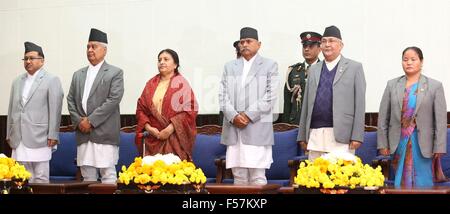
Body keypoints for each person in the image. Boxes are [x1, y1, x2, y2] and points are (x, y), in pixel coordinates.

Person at [377, 46, 447, 187]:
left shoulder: (434, 86)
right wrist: (383, 144)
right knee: (400, 182)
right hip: (398, 142)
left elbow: (440, 120)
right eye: (405, 59)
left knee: (423, 181)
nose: (409, 62)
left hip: (423, 144)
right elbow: (383, 118)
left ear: (421, 62)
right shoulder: (392, 85)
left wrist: (439, 146)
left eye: (413, 59)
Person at [219, 27, 279, 185]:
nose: (244, 44)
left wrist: (247, 116)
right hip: (234, 129)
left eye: (248, 41)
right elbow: (222, 95)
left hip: (257, 128)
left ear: (259, 44)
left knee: (257, 177)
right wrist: (233, 116)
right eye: (242, 42)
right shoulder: (229, 66)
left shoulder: (269, 65)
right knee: (238, 177)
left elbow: (270, 96)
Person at [297, 25, 366, 160]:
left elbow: (360, 103)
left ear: (341, 45)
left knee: (340, 176)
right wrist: (302, 135)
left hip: (341, 135)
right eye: (324, 41)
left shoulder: (354, 68)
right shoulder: (314, 69)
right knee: (314, 177)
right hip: (315, 133)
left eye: (332, 41)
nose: (327, 45)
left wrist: (357, 135)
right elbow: (306, 104)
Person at [67, 28, 124, 183]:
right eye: (88, 47)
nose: (90, 50)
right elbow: (70, 100)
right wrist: (80, 121)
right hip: (83, 134)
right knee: (87, 176)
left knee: (108, 175)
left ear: (104, 50)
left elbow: (113, 100)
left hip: (104, 133)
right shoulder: (78, 74)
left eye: (94, 46)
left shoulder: (115, 72)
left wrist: (90, 121)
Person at [6, 42, 64, 183]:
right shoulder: (17, 81)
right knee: (22, 177)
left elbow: (55, 109)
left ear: (42, 61)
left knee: (40, 177)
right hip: (18, 136)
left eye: (31, 58)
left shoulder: (51, 80)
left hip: (41, 136)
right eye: (25, 59)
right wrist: (9, 133)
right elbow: (11, 109)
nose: (28, 61)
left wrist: (53, 134)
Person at [135, 49, 198, 161]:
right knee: (151, 175)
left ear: (175, 65)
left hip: (174, 137)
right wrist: (149, 128)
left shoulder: (181, 84)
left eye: (166, 59)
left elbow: (190, 109)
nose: (162, 62)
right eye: (159, 60)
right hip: (152, 138)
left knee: (172, 175)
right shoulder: (151, 84)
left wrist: (170, 129)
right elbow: (141, 109)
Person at [282, 31, 322, 124]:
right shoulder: (293, 71)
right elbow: (287, 102)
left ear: (319, 49)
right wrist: (286, 125)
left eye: (311, 46)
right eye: (304, 46)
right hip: (296, 123)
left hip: (318, 123)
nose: (307, 49)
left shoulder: (325, 70)